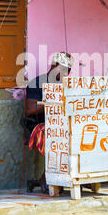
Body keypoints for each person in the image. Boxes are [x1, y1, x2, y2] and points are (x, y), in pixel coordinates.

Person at [24, 52, 73, 193]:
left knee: (77, 135)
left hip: (62, 123)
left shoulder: (68, 84)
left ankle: (72, 176)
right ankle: (47, 178)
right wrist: (53, 102)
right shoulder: (37, 82)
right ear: (53, 66)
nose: (65, 73)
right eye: (62, 69)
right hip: (38, 123)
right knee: (55, 137)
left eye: (67, 70)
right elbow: (30, 109)